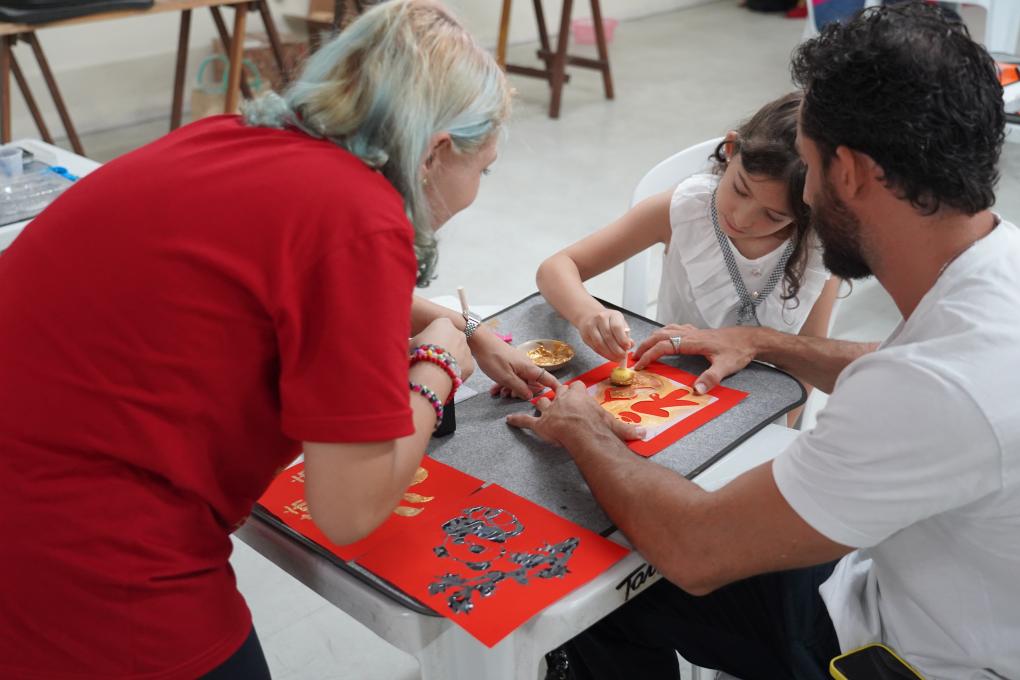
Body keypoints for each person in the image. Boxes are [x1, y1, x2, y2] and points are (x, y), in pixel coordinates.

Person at [0, 2, 555, 678]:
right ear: (435, 150)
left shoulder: (245, 138)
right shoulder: (363, 218)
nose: (477, 190)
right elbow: (347, 510)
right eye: (482, 169)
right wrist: (440, 364)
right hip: (75, 541)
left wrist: (458, 323)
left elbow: (294, 268)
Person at [511, 3, 1019, 678]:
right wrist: (762, 340)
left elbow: (695, 552)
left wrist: (585, 429)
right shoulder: (998, 267)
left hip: (897, 656)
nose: (796, 210)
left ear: (850, 173)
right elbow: (908, 369)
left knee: (596, 597)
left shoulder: (930, 394)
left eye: (804, 172)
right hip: (922, 592)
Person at [536, 92, 839, 424]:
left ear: (809, 205)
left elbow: (808, 362)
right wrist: (588, 314)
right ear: (730, 150)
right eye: (739, 189)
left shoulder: (820, 246)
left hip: (763, 413)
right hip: (666, 392)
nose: (743, 218)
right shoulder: (684, 211)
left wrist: (777, 432)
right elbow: (556, 268)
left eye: (773, 215)